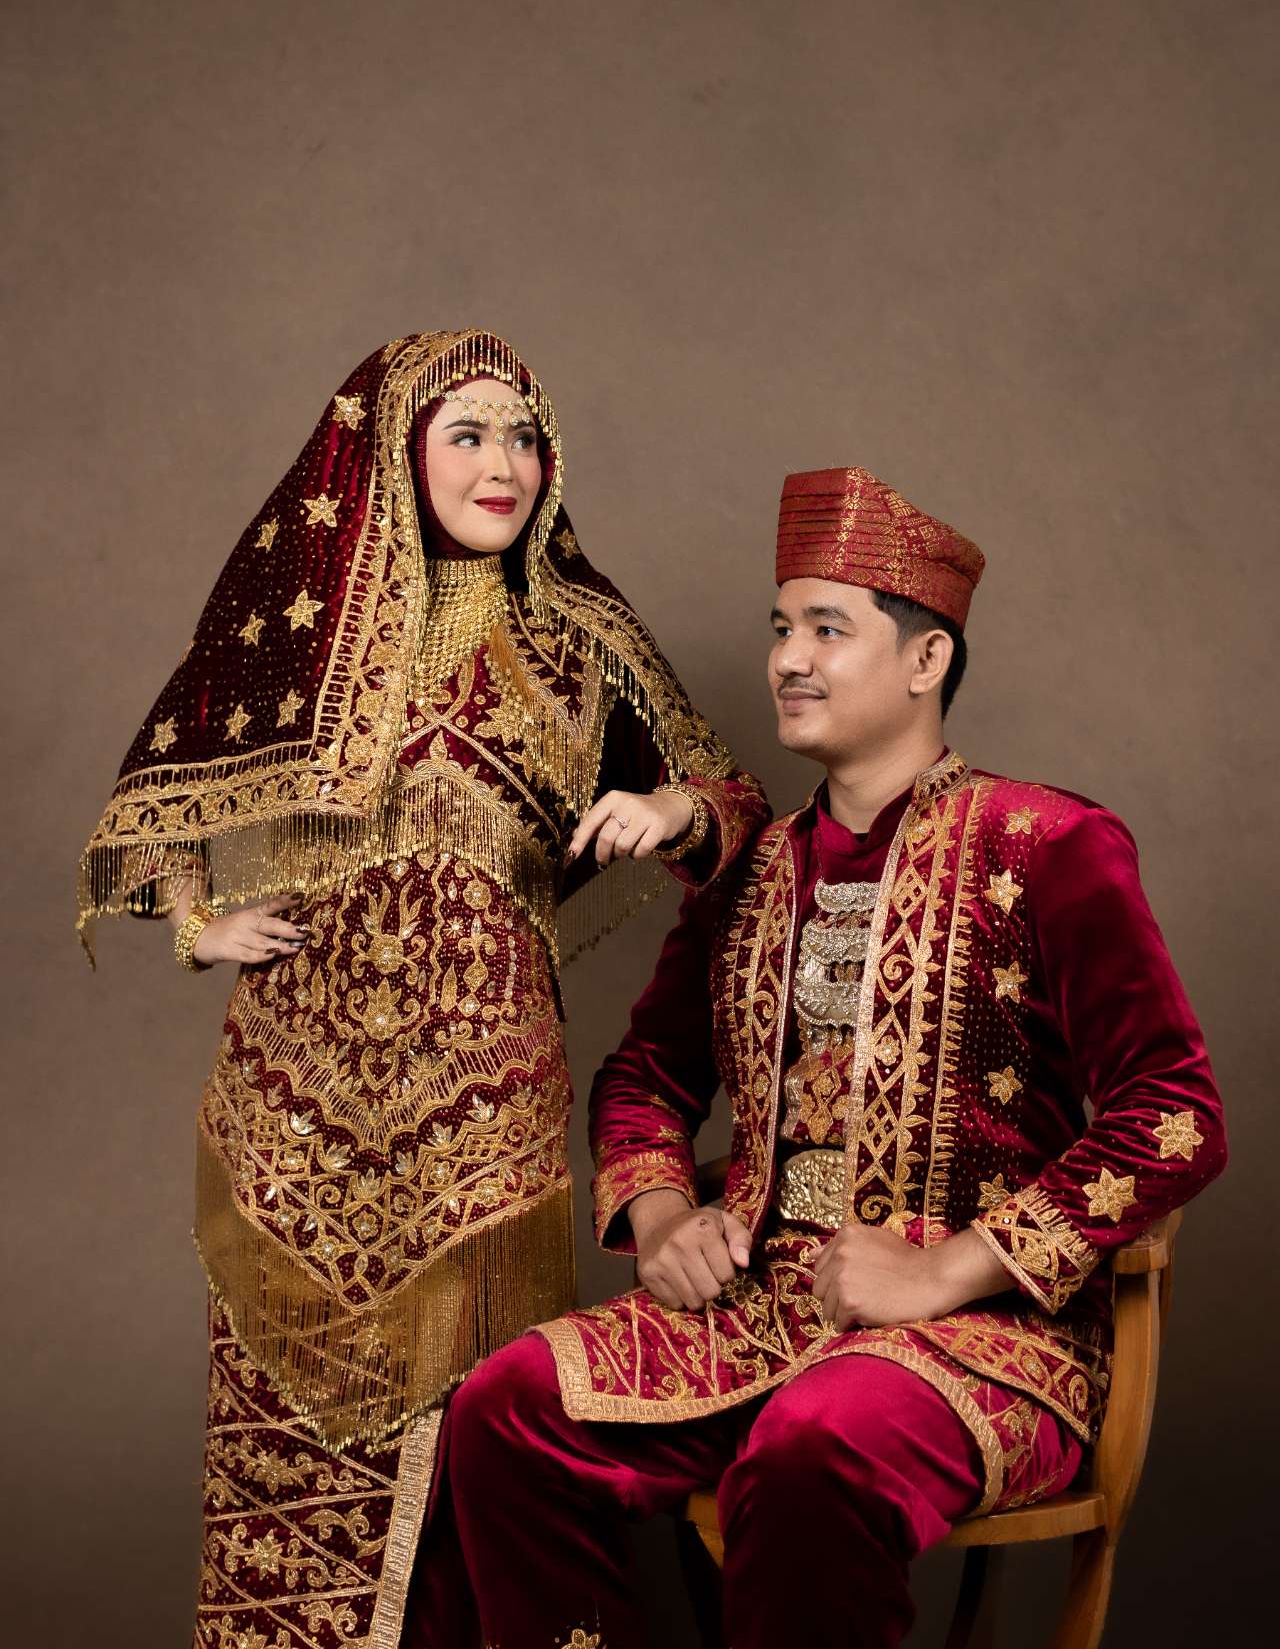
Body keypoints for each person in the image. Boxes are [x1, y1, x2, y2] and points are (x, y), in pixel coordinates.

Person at [446, 464, 1227, 1649]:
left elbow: (1174, 1116)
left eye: (826, 629)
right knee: (502, 1408)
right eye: (778, 629)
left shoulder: (1046, 844)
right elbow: (643, 1078)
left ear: (925, 660)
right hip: (754, 1314)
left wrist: (946, 1268)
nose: (786, 661)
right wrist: (661, 1217)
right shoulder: (749, 867)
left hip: (987, 1341)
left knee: (811, 1446)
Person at [77, 329, 767, 1649]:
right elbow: (155, 797)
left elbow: (736, 802)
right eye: (469, 433)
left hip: (485, 1113)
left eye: (525, 435)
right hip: (298, 1102)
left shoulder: (583, 638)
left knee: (484, 1431)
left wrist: (671, 806)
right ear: (397, 451)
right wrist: (198, 922)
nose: (506, 462)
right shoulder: (309, 625)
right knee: (285, 1436)